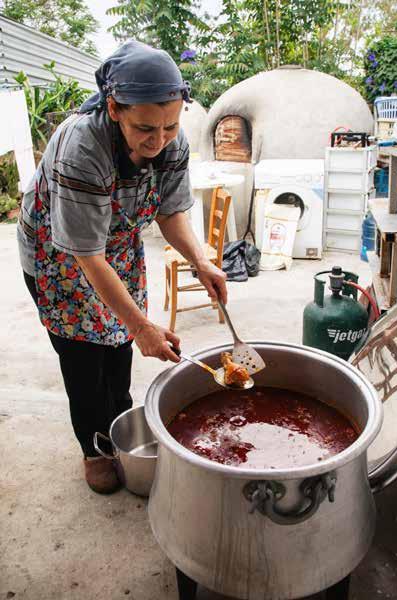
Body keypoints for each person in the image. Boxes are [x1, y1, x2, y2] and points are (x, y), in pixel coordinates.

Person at [17, 41, 227, 494]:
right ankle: (94, 449)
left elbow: (171, 214)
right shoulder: (81, 147)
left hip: (116, 248)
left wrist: (202, 260)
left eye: (170, 125)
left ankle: (120, 429)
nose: (159, 140)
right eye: (145, 128)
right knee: (83, 358)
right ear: (114, 108)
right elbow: (86, 255)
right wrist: (143, 326)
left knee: (118, 350)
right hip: (61, 256)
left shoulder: (172, 142)